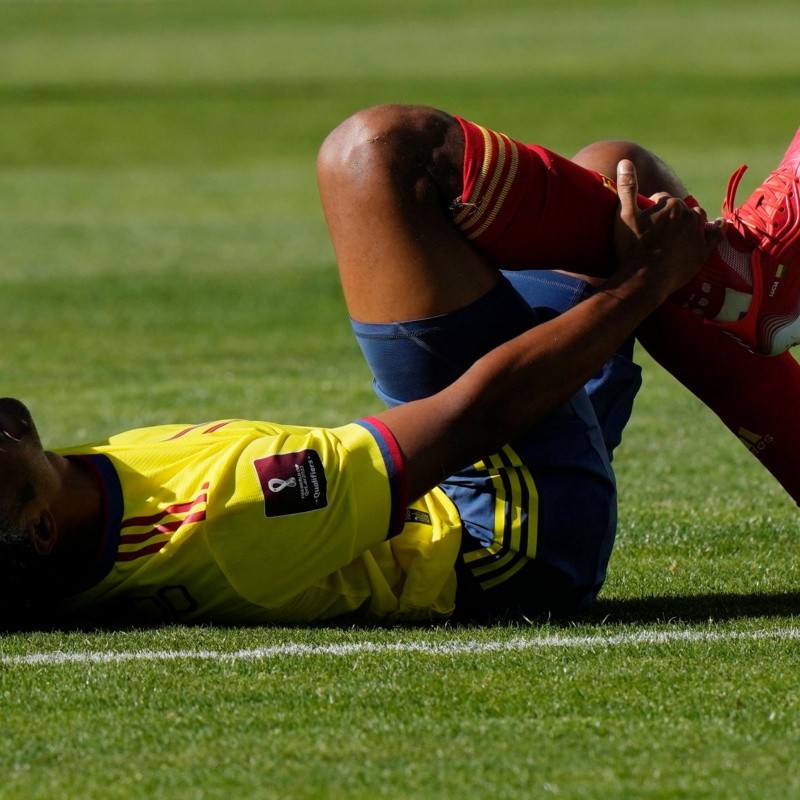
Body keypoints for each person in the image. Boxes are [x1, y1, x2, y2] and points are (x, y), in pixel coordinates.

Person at [0, 100, 792, 629]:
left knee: (612, 175)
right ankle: (737, 282)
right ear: (37, 531)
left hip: (481, 476)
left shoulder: (80, 500)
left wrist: (641, 278)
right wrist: (645, 282)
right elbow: (472, 420)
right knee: (377, 157)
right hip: (509, 533)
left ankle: (734, 285)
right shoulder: (226, 513)